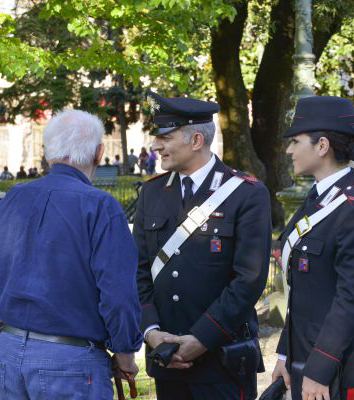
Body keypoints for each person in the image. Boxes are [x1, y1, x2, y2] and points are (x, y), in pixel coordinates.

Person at [0, 109, 142, 399]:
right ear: (99, 153)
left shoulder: (16, 197)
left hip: (12, 352)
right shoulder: (100, 206)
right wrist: (125, 350)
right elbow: (118, 293)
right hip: (70, 360)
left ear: (48, 152)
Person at [134, 92, 272, 399]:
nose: (156, 145)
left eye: (165, 137)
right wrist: (152, 332)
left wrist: (201, 338)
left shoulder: (246, 194)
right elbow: (138, 271)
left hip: (221, 359)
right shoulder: (152, 192)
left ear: (196, 140)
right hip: (166, 356)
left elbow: (248, 280)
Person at [271, 96, 354, 400]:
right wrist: (286, 355)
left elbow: (352, 298)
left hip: (345, 366)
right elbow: (301, 293)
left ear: (321, 146)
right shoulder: (317, 199)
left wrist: (318, 369)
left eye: (296, 141)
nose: (289, 150)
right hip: (310, 357)